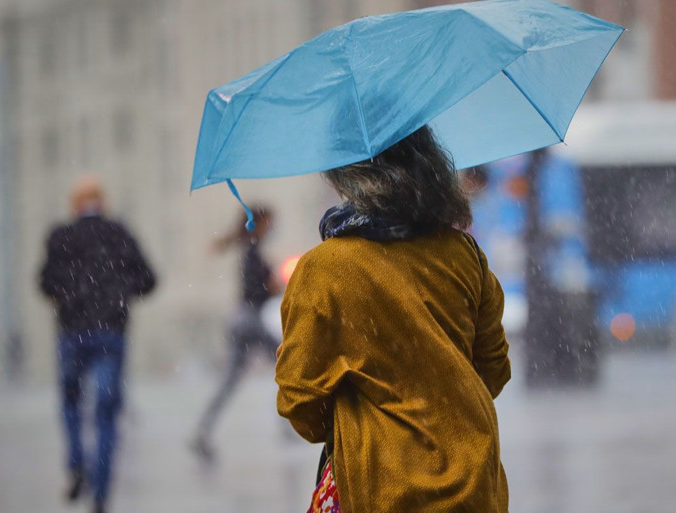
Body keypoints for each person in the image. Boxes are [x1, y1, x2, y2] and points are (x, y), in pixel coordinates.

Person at [275, 126, 511, 512]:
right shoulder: (464, 255)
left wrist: (357, 410)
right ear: (428, 160)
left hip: (382, 491)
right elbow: (494, 372)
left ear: (347, 173)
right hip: (476, 488)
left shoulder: (325, 269)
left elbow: (301, 404)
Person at [39, 176, 156, 513]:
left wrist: (69, 296)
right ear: (101, 202)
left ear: (74, 205)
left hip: (71, 332)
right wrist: (120, 294)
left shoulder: (60, 236)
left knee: (71, 403)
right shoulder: (118, 233)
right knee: (106, 414)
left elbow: (45, 283)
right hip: (110, 333)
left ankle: (77, 463)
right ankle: (101, 494)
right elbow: (148, 280)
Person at [191, 205, 281, 462]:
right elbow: (258, 289)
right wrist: (274, 284)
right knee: (288, 362)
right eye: (270, 222)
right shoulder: (253, 252)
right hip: (249, 320)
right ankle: (293, 424)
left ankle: (203, 429)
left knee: (230, 380)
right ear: (261, 223)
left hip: (240, 320)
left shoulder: (250, 249)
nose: (273, 228)